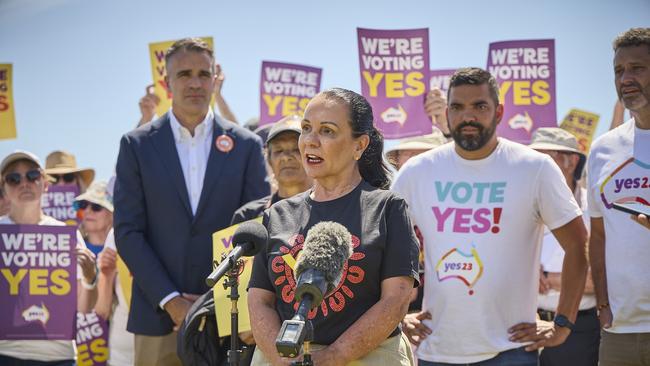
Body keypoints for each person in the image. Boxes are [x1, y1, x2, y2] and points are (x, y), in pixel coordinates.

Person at [392, 68, 588, 365]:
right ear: (447, 113)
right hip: (436, 349)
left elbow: (577, 244)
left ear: (498, 112)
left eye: (479, 106)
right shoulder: (418, 171)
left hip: (512, 350)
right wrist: (396, 315)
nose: (467, 116)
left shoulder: (534, 167)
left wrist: (563, 323)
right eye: (457, 107)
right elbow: (383, 246)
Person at [113, 37, 269, 366]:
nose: (195, 83)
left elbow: (256, 230)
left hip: (230, 319)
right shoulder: (136, 145)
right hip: (158, 319)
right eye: (184, 74)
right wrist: (171, 301)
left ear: (215, 77)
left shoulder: (247, 146)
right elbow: (128, 231)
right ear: (167, 82)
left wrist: (214, 303)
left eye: (203, 73)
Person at [248, 88, 420, 365]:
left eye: (327, 131)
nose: (310, 141)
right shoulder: (276, 215)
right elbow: (259, 301)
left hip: (367, 356)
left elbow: (395, 301)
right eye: (306, 128)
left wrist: (331, 357)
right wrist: (282, 360)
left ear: (359, 145)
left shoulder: (388, 208)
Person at [587, 27, 650, 366]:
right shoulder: (603, 149)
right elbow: (598, 235)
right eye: (618, 70)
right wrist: (603, 303)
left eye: (637, 68)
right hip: (619, 330)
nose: (625, 78)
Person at [0, 150, 98, 365]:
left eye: (32, 176)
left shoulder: (68, 235)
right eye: (13, 178)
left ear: (45, 184)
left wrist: (91, 279)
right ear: (4, 190)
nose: (24, 183)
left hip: (58, 356)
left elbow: (85, 308)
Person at [528, 127, 599, 366]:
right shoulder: (520, 204)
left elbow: (601, 280)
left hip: (578, 331)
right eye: (533, 158)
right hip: (525, 326)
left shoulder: (595, 208)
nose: (538, 166)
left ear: (572, 162)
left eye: (547, 157)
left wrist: (543, 277)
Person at [231, 114, 313, 224]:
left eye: (296, 149)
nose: (286, 157)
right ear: (269, 160)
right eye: (278, 150)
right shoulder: (247, 216)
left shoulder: (334, 208)